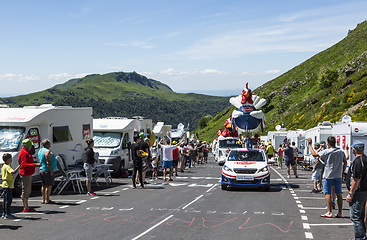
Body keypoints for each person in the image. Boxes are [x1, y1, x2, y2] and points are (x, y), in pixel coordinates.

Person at [308, 136, 348, 218]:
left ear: (328, 143)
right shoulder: (341, 151)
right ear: (335, 142)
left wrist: (310, 145)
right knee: (339, 194)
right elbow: (345, 161)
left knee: (327, 193)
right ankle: (340, 212)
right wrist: (343, 172)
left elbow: (314, 154)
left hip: (328, 175)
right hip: (338, 175)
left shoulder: (327, 151)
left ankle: (329, 212)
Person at [346, 141, 367, 239]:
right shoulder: (365, 159)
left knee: (355, 217)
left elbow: (356, 179)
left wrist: (351, 193)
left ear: (353, 150)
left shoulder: (358, 161)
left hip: (359, 192)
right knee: (361, 216)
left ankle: (360, 237)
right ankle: (362, 236)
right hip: (364, 191)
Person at [18, 139, 42, 212]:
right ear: (29, 146)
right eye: (31, 145)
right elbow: (24, 164)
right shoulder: (24, 153)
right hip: (25, 173)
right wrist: (35, 164)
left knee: (27, 189)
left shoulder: (24, 152)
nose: (32, 146)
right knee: (26, 190)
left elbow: (20, 161)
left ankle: (26, 206)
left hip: (27, 173)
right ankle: (26, 207)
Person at [38, 139, 57, 204]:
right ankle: (47, 199)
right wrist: (51, 171)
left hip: (41, 169)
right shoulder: (47, 151)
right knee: (48, 185)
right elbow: (48, 162)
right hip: (46, 170)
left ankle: (43, 199)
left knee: (44, 185)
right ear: (47, 144)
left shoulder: (40, 150)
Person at [2, 153, 20, 219]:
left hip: (5, 184)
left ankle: (4, 212)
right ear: (8, 159)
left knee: (5, 199)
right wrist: (19, 166)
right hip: (8, 185)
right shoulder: (7, 167)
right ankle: (8, 214)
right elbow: (13, 172)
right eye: (11, 158)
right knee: (8, 200)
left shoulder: (4, 166)